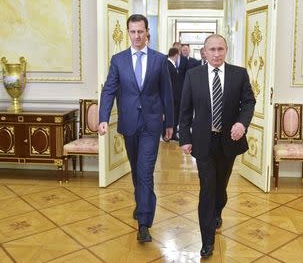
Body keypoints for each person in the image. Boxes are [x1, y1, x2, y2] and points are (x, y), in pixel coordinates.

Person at [98, 14, 173, 243]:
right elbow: (109, 89)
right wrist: (103, 117)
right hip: (129, 123)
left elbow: (167, 93)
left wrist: (169, 122)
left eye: (141, 31)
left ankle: (144, 222)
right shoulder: (118, 60)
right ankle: (142, 202)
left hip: (151, 124)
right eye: (133, 32)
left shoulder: (160, 60)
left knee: (145, 171)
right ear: (128, 33)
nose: (137, 36)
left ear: (147, 32)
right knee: (136, 170)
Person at [178, 34, 256, 258]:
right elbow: (185, 110)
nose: (216, 53)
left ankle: (217, 211)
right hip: (203, 142)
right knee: (207, 189)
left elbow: (249, 102)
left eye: (220, 49)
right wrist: (185, 138)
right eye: (211, 49)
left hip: (228, 141)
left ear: (226, 50)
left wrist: (242, 122)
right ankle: (207, 240)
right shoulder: (193, 75)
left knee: (220, 189)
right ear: (204, 52)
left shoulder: (238, 74)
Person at [165, 47, 181, 141]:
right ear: (176, 55)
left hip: (174, 96)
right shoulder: (168, 65)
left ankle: (172, 133)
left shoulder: (171, 64)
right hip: (173, 96)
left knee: (174, 114)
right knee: (173, 115)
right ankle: (171, 134)